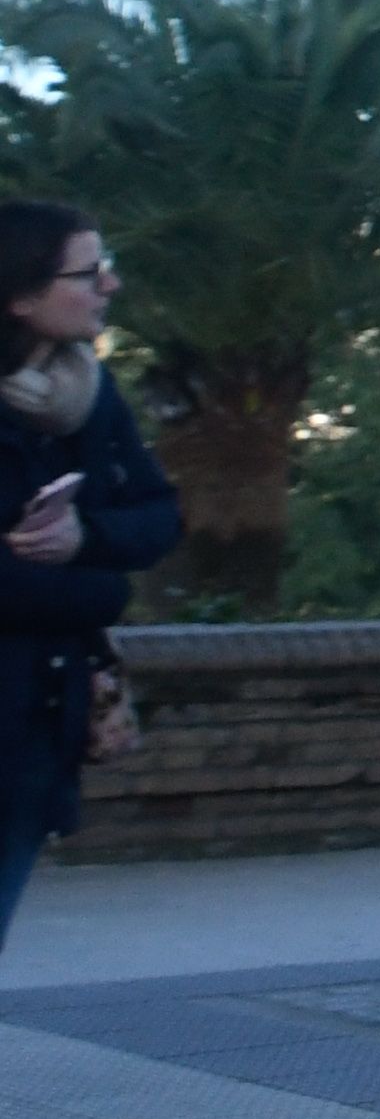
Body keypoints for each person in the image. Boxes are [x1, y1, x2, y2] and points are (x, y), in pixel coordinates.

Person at [0, 206, 172, 951]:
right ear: (21, 295)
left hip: (36, 726)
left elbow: (159, 514)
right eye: (86, 272)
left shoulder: (85, 395)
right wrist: (101, 586)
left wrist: (87, 537)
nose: (111, 284)